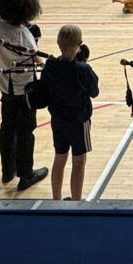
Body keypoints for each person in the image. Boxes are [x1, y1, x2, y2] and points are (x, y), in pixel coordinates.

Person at [0, 0, 49, 191]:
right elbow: (35, 58)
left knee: (7, 128)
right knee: (26, 131)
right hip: (23, 89)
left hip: (4, 86)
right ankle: (26, 174)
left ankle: (7, 170)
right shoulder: (21, 34)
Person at [41, 25, 99, 201]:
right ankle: (76, 201)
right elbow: (94, 92)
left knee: (59, 158)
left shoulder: (50, 66)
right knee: (79, 162)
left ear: (58, 43)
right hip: (79, 121)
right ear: (80, 44)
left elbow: (44, 89)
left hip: (57, 120)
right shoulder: (82, 69)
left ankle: (56, 200)